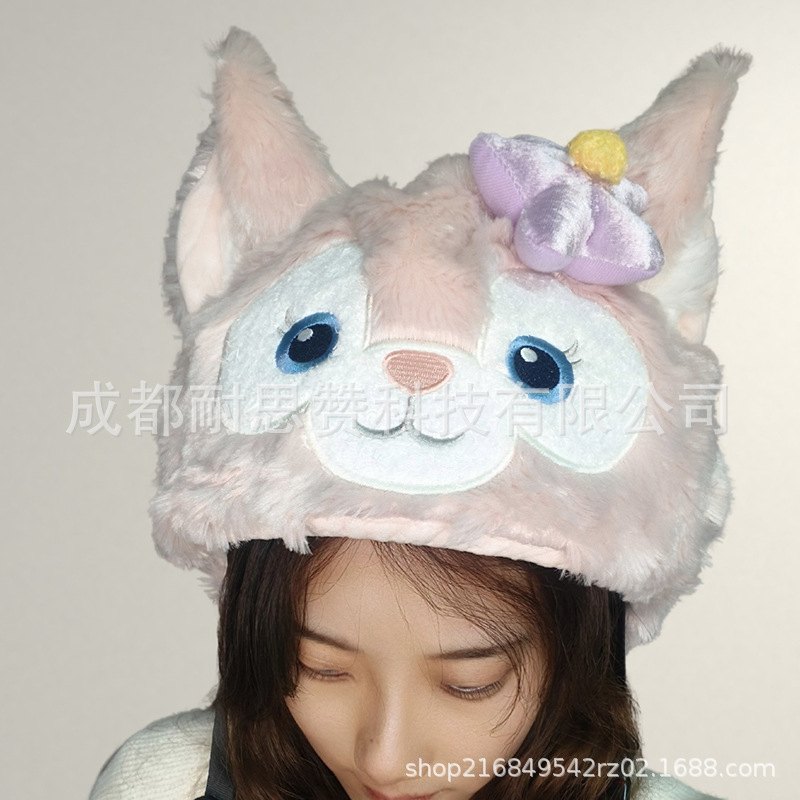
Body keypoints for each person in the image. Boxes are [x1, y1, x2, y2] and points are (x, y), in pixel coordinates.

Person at [90, 28, 748, 800]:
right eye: (317, 667)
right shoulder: (166, 784)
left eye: (470, 683)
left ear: (582, 641)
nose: (384, 757)